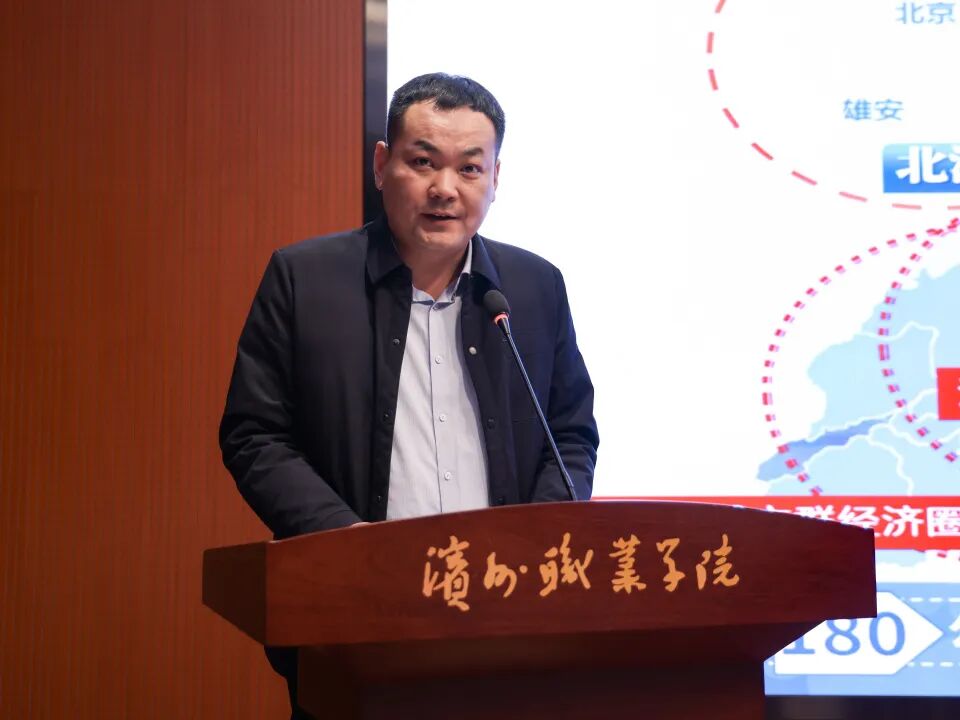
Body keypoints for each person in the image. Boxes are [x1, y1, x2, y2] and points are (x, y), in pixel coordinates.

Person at [219, 72, 599, 719]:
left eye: (469, 168)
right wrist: (347, 543)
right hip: (354, 620)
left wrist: (534, 545)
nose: (445, 188)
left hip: (506, 623)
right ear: (381, 165)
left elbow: (569, 433)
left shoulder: (533, 288)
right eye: (423, 162)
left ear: (495, 177)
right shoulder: (305, 280)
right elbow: (255, 435)